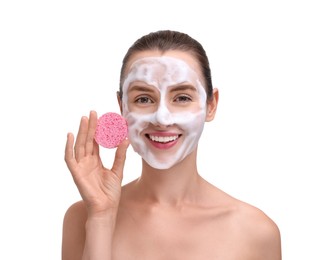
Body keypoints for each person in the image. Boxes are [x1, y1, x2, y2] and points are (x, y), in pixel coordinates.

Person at [62, 30, 282, 260]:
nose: (162, 118)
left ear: (211, 105)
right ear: (122, 107)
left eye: (182, 98)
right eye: (144, 99)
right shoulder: (83, 217)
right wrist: (101, 218)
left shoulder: (256, 232)